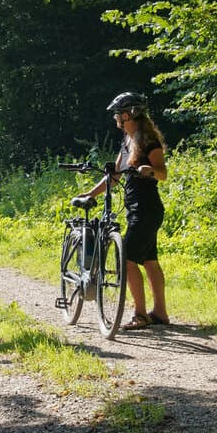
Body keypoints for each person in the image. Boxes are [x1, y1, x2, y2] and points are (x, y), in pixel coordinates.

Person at [78, 92, 168, 330]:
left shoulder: (149, 141)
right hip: (136, 209)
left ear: (130, 114)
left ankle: (140, 314)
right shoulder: (127, 140)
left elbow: (163, 173)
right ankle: (160, 312)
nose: (116, 118)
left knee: (126, 258)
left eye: (119, 113)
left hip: (147, 209)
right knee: (149, 260)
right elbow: (115, 176)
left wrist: (149, 169)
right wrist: (90, 194)